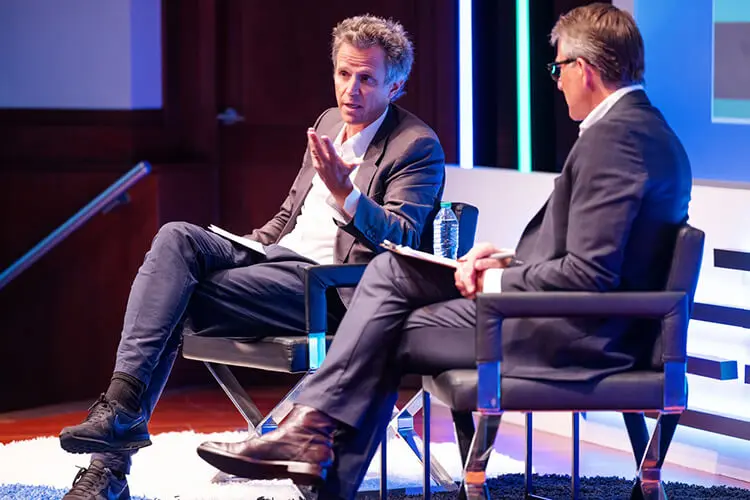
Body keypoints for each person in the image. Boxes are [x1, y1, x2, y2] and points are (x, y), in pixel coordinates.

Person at [197, 3, 692, 498]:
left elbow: (589, 276)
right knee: (393, 274)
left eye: (557, 67)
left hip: (569, 333)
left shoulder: (618, 141)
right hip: (563, 316)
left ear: (583, 70)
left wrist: (496, 281)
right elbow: (588, 255)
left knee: (383, 316)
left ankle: (313, 444)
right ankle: (312, 443)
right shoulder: (635, 131)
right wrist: (505, 263)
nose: (556, 81)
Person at [58, 14, 446, 500]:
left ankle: (109, 464)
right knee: (177, 238)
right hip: (276, 261)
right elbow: (290, 214)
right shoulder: (329, 122)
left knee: (171, 300)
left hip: (330, 290)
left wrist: (348, 196)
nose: (350, 89)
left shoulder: (416, 146)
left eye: (367, 78)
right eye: (343, 74)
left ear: (396, 84)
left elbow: (403, 238)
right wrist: (244, 247)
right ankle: (120, 408)